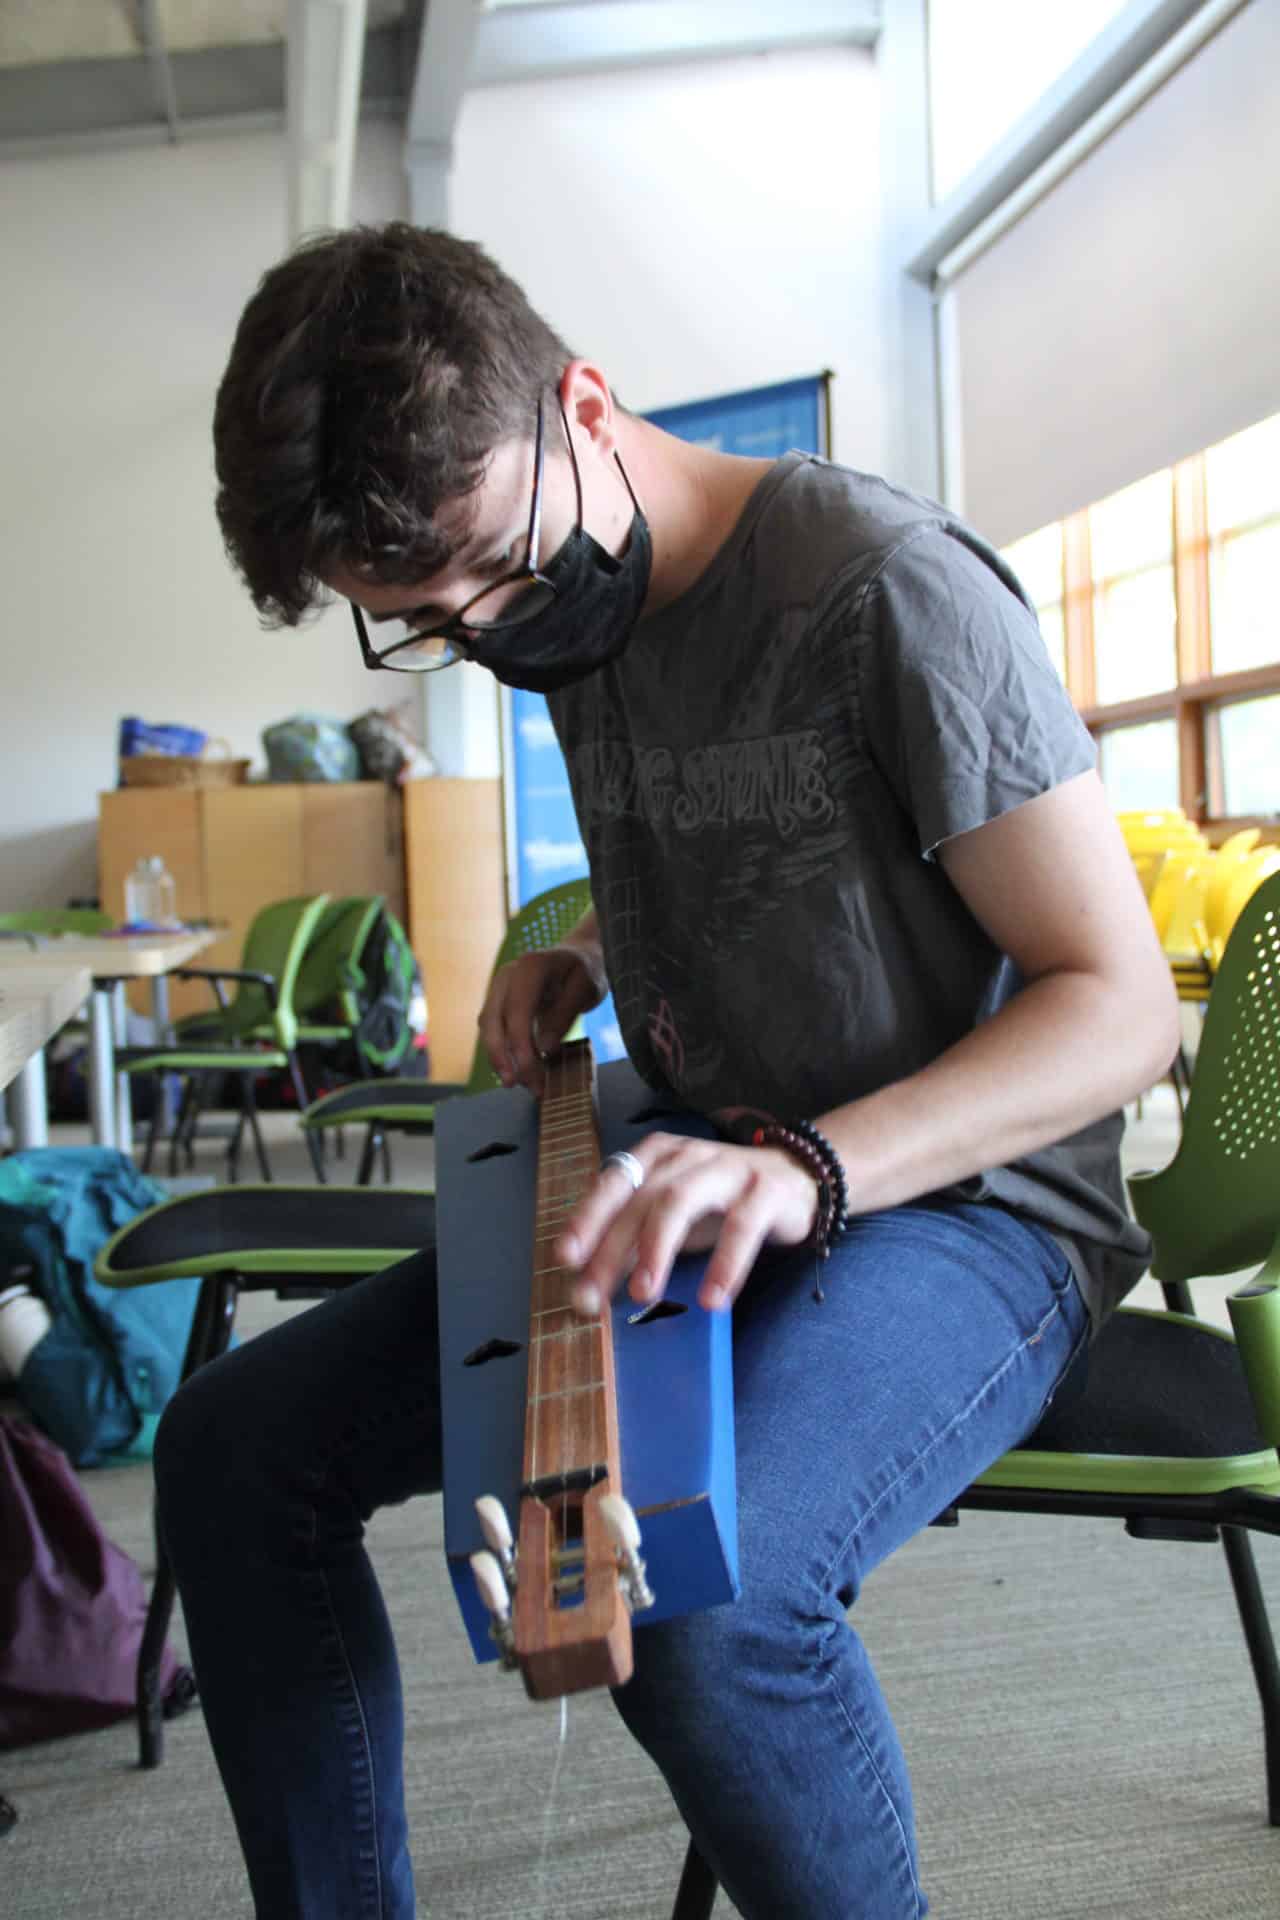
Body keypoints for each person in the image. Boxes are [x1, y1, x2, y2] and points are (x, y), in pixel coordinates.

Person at [157, 221, 1179, 1920]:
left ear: (585, 404)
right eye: (421, 624)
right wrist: (599, 944)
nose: (485, 632)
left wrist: (808, 1167)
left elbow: (1121, 1008)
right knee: (231, 1448)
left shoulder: (886, 592)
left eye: (492, 577)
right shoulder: (563, 600)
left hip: (979, 1212)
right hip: (711, 1162)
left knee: (708, 1607)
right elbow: (781, 837)